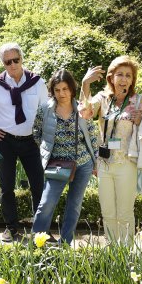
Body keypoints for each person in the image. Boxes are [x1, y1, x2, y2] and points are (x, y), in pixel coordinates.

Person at [80, 56, 142, 244]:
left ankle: (126, 255)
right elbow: (85, 114)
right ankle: (112, 254)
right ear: (111, 77)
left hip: (127, 162)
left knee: (125, 213)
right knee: (107, 212)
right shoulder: (102, 99)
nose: (124, 79)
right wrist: (85, 84)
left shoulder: (141, 100)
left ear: (133, 79)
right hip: (104, 162)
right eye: (120, 75)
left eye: (128, 75)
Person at [0, 42, 47, 242]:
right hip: (6, 142)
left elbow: (46, 110)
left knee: (38, 185)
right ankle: (11, 228)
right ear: (3, 63)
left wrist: (44, 136)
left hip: (31, 142)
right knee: (6, 187)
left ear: (22, 59)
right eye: (7, 61)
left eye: (15, 60)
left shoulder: (37, 82)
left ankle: (40, 229)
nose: (12, 65)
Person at [31, 69, 97, 244]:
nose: (61, 93)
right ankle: (37, 243)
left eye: (65, 89)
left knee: (74, 206)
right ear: (52, 91)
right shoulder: (45, 109)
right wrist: (46, 150)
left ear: (72, 89)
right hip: (57, 165)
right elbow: (36, 131)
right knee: (46, 204)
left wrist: (95, 160)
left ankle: (65, 243)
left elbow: (92, 134)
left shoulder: (82, 108)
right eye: (57, 90)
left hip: (83, 163)